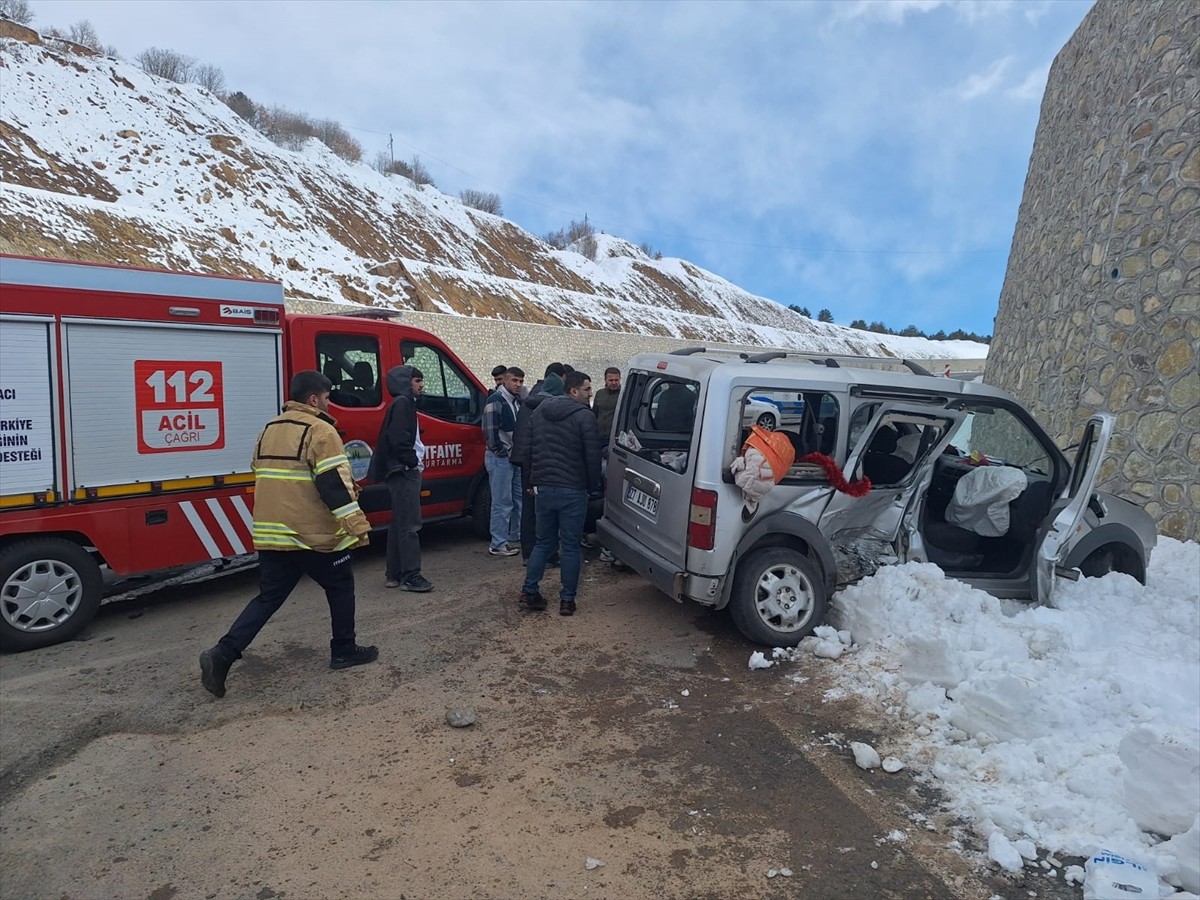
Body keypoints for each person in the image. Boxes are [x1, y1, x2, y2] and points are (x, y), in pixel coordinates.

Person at [199, 371, 377, 698]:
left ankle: (222, 655)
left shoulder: (269, 429)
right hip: (312, 534)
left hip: (273, 534)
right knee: (340, 586)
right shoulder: (322, 431)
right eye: (326, 397)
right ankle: (344, 650)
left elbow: (260, 471)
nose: (328, 402)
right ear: (313, 399)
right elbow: (332, 485)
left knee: (268, 597)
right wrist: (358, 526)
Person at [515, 370, 602, 616]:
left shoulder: (539, 412)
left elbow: (528, 448)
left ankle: (528, 591)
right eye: (587, 389)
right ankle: (567, 600)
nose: (590, 394)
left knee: (543, 542)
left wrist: (532, 480)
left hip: (544, 488)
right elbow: (593, 456)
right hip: (573, 489)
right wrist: (593, 486)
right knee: (571, 545)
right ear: (573, 391)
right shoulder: (584, 416)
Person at [368, 365, 434, 592]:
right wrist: (412, 461)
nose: (421, 385)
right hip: (404, 470)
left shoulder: (401, 403)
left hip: (400, 470)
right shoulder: (404, 404)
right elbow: (399, 439)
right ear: (406, 382)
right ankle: (411, 575)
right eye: (417, 380)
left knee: (399, 523)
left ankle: (393, 573)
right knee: (411, 525)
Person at [511, 368, 564, 562]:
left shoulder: (528, 403)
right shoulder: (548, 408)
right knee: (545, 511)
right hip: (541, 464)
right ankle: (546, 553)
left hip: (525, 461)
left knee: (528, 509)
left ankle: (529, 553)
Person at [482, 366, 525, 556]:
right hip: (501, 458)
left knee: (516, 499)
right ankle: (498, 543)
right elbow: (489, 430)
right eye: (515, 380)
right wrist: (499, 450)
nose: (518, 384)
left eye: (521, 381)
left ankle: (514, 536)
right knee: (501, 502)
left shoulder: (515, 401)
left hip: (511, 458)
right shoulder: (496, 401)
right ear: (505, 380)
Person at [592, 366, 622, 443]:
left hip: (615, 438)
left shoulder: (624, 395)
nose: (614, 383)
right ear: (605, 380)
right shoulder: (599, 393)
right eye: (611, 380)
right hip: (598, 436)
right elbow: (594, 414)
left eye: (616, 380)